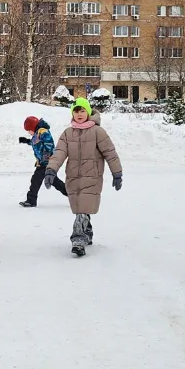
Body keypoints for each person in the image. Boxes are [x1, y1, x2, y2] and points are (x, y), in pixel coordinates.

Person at [45, 98, 123, 257]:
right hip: (73, 177)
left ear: (88, 112)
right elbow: (59, 153)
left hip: (92, 177)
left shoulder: (97, 132)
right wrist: (51, 170)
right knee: (80, 207)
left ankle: (78, 239)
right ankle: (87, 231)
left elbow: (110, 153)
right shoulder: (68, 133)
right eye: (76, 111)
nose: (79, 114)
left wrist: (117, 173)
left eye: (82, 111)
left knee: (82, 207)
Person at [18, 115, 67, 207]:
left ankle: (31, 200)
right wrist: (26, 141)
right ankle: (72, 195)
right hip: (43, 162)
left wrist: (45, 158)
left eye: (29, 130)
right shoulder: (37, 133)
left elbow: (49, 145)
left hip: (46, 162)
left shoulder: (43, 132)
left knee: (35, 180)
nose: (29, 132)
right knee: (53, 181)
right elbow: (36, 142)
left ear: (33, 127)